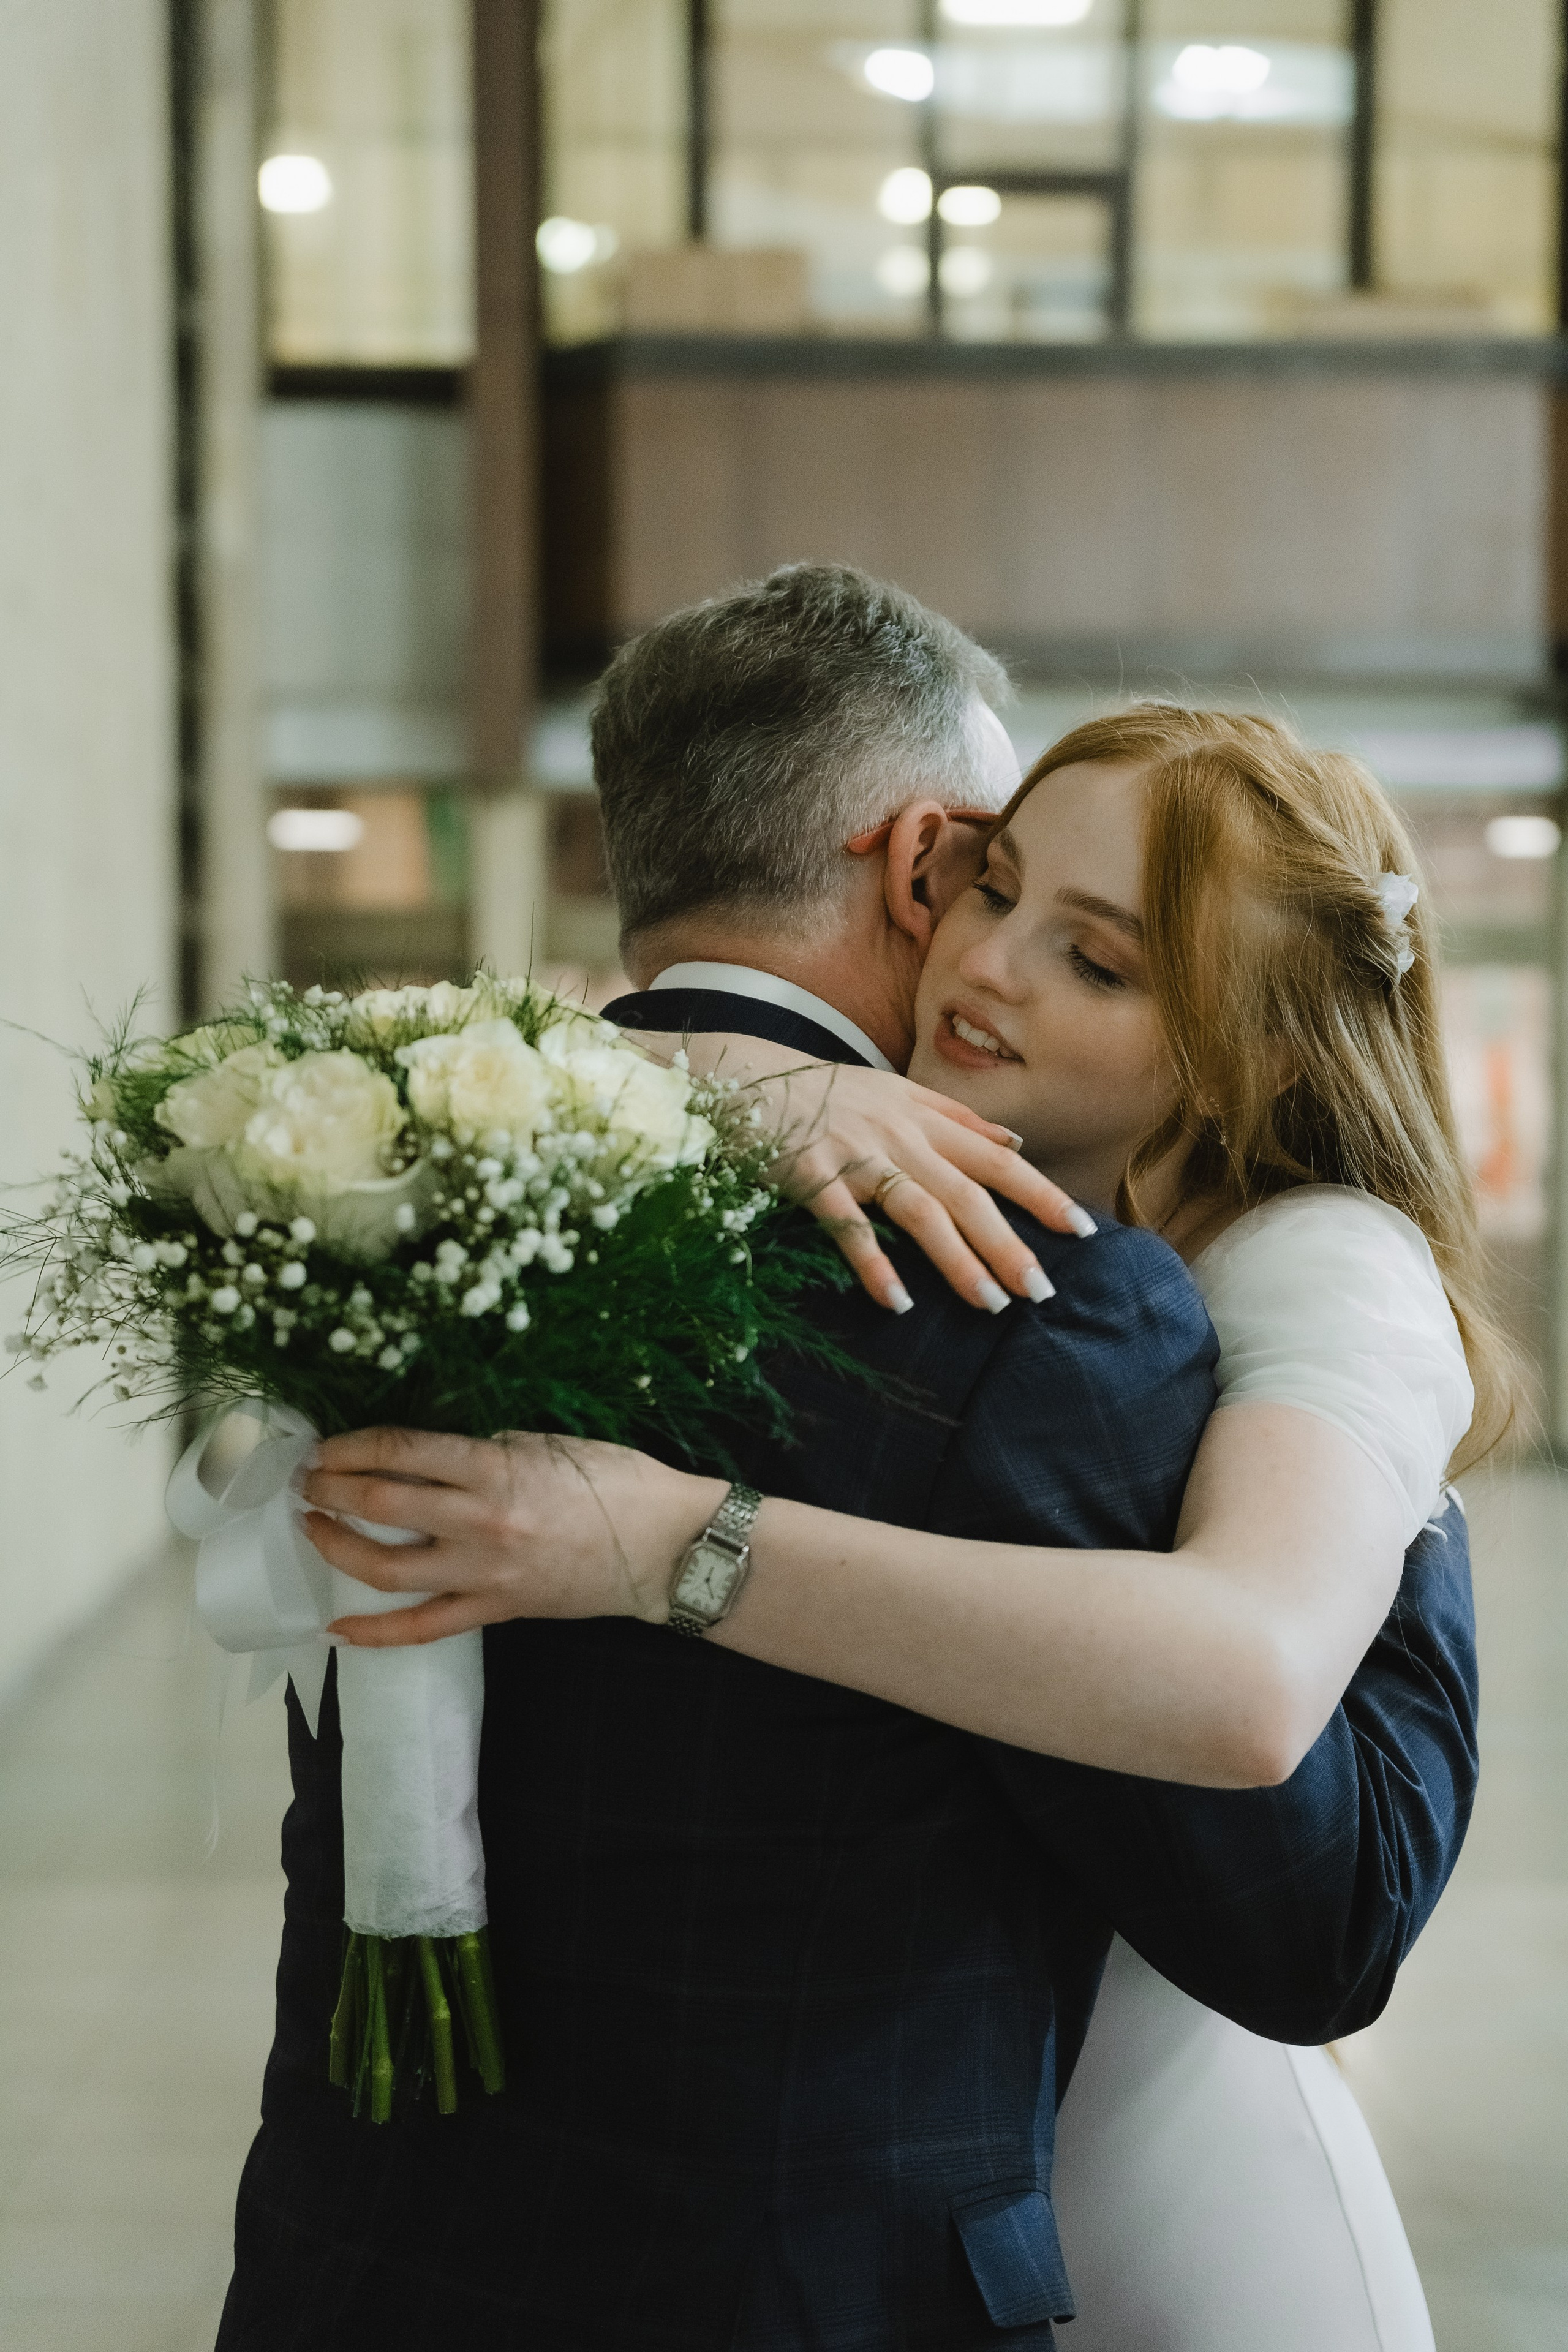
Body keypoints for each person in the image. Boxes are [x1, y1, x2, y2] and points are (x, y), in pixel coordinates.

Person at [225, 568, 1480, 2352]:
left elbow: (1296, 1810)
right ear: (917, 861)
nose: (985, 959)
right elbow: (1296, 1920)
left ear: (1239, 1042)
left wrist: (672, 1540)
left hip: (385, 2263)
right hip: (846, 2261)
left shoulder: (375, 1176)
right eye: (995, 884)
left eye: (1094, 954)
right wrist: (744, 1071)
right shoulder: (1029, 1292)